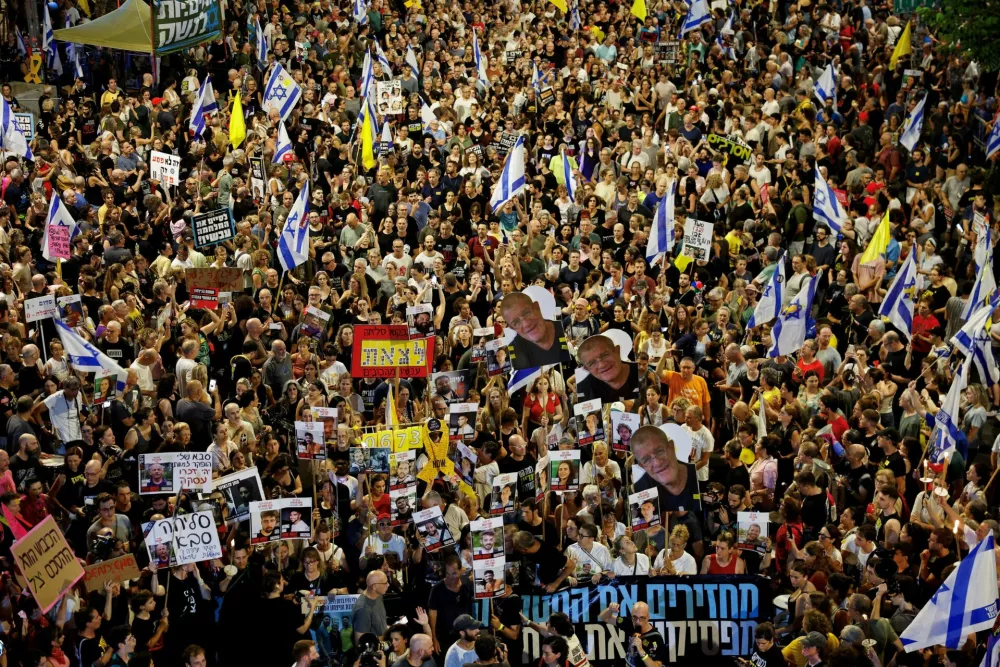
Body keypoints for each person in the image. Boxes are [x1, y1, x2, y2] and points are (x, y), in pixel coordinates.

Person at [500, 292, 570, 368]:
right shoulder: (515, 350)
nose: (526, 324)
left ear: (537, 307)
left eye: (527, 313)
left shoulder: (565, 328)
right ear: (513, 328)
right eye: (516, 322)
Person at [598, 601, 666, 667]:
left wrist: (641, 651)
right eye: (635, 617)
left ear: (648, 617)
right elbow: (605, 618)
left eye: (642, 618)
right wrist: (610, 610)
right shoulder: (630, 623)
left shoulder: (656, 638)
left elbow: (657, 665)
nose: (638, 622)